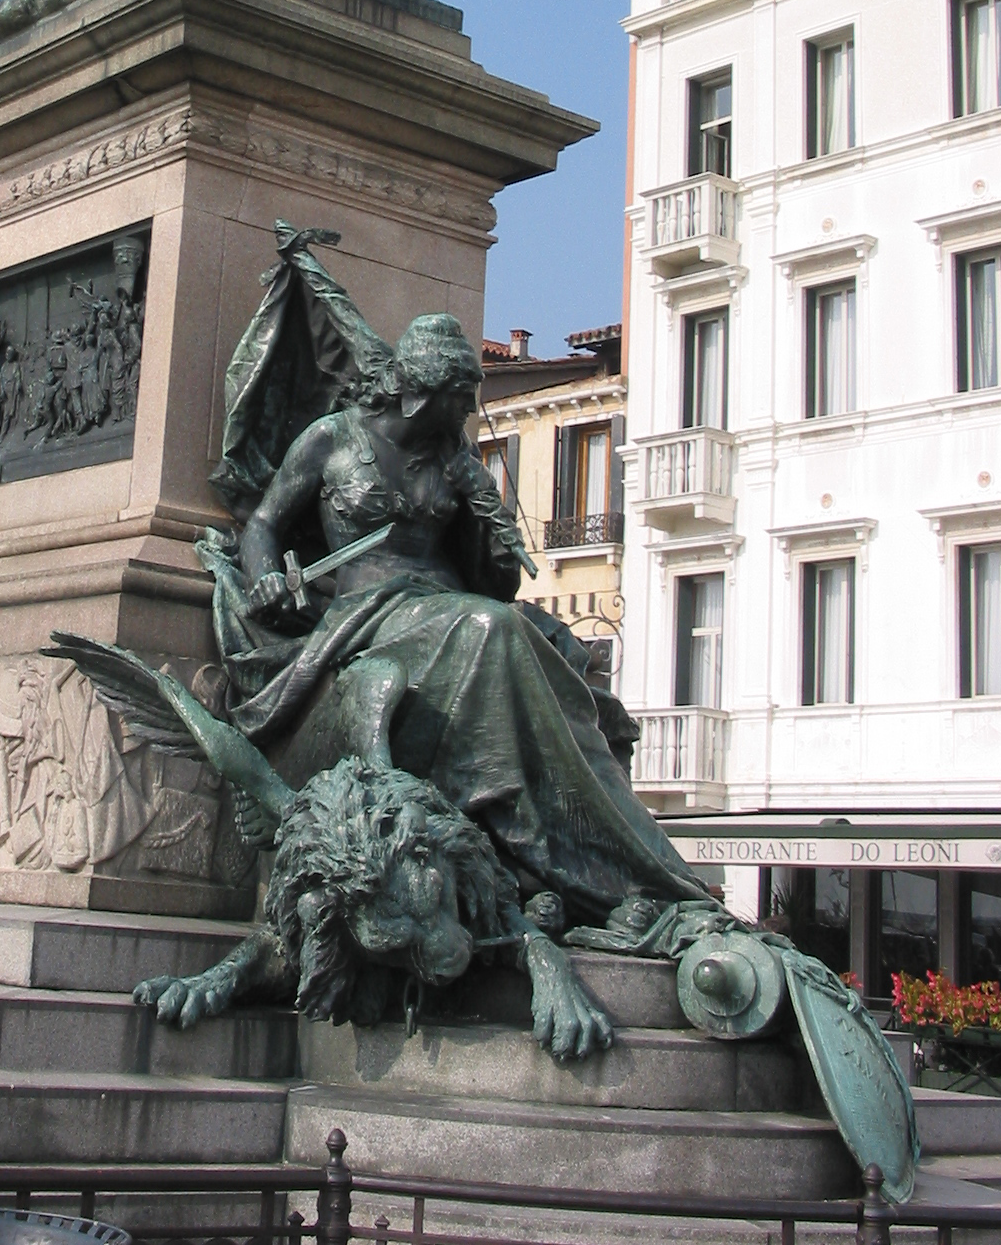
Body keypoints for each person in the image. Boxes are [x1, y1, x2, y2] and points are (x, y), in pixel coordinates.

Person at [202, 239, 702, 926]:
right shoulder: (334, 439)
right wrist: (265, 582)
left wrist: (490, 520)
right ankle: (554, 851)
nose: (469, 410)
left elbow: (495, 580)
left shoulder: (455, 460)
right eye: (459, 397)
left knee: (553, 645)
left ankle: (601, 857)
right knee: (493, 630)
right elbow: (261, 525)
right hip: (367, 608)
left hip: (446, 605)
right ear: (419, 392)